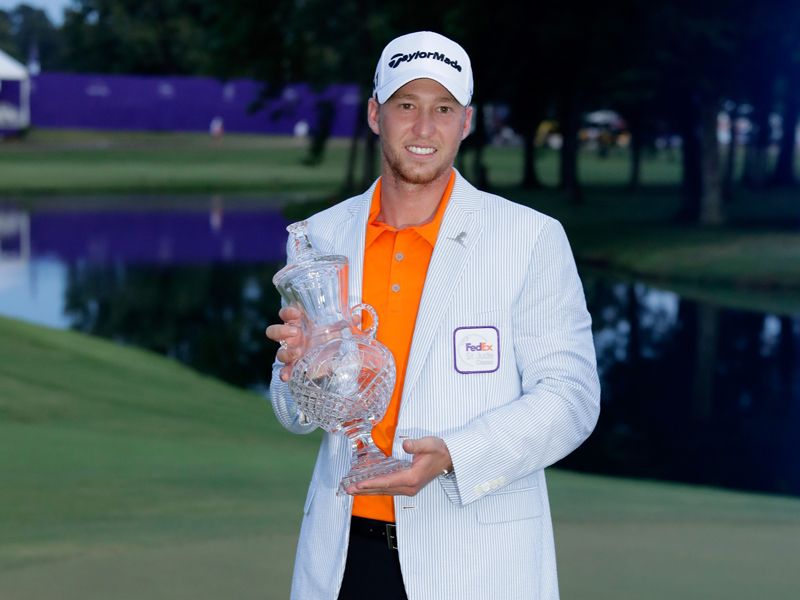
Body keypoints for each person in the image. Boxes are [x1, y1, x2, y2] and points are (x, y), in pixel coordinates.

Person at [266, 30, 600, 600]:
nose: (424, 129)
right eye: (407, 106)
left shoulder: (530, 239)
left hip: (477, 564)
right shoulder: (319, 238)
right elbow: (294, 412)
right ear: (376, 114)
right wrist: (298, 374)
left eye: (443, 109)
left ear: (466, 122)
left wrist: (453, 457)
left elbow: (571, 399)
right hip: (344, 554)